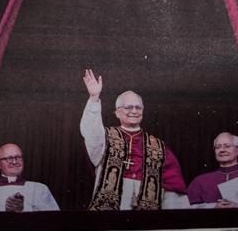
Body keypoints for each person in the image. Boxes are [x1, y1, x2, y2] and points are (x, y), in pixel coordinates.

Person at [80, 69, 188, 210]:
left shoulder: (158, 146)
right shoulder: (105, 137)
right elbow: (91, 133)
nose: (134, 111)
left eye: (138, 107)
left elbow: (173, 186)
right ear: (117, 112)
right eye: (128, 107)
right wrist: (94, 98)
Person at [0, 143, 60, 212]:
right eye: (9, 158)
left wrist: (23, 209)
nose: (14, 162)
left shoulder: (40, 189)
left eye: (18, 157)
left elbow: (53, 221)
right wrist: (5, 208)